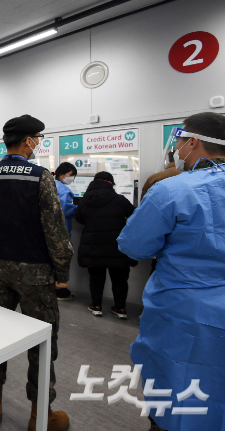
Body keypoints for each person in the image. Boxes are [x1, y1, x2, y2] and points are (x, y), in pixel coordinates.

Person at [117, 112, 225, 431]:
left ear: (193, 142)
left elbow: (133, 246)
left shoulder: (173, 190)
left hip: (185, 318)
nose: (176, 149)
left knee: (179, 394)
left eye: (179, 142)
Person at [0, 114, 73, 431]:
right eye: (37, 138)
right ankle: (40, 415)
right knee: (42, 343)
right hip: (37, 275)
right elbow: (55, 230)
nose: (38, 143)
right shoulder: (41, 177)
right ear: (27, 141)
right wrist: (61, 272)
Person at [75, 171, 136, 319]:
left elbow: (79, 218)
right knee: (120, 279)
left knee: (96, 277)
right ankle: (120, 308)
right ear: (110, 183)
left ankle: (96, 306)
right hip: (117, 247)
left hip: (93, 246)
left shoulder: (85, 201)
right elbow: (135, 215)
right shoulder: (120, 199)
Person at [53, 162, 78, 301]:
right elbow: (65, 209)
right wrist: (80, 208)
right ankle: (60, 290)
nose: (72, 178)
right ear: (61, 174)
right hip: (60, 229)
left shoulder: (49, 184)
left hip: (47, 229)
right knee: (62, 258)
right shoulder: (63, 190)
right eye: (70, 175)